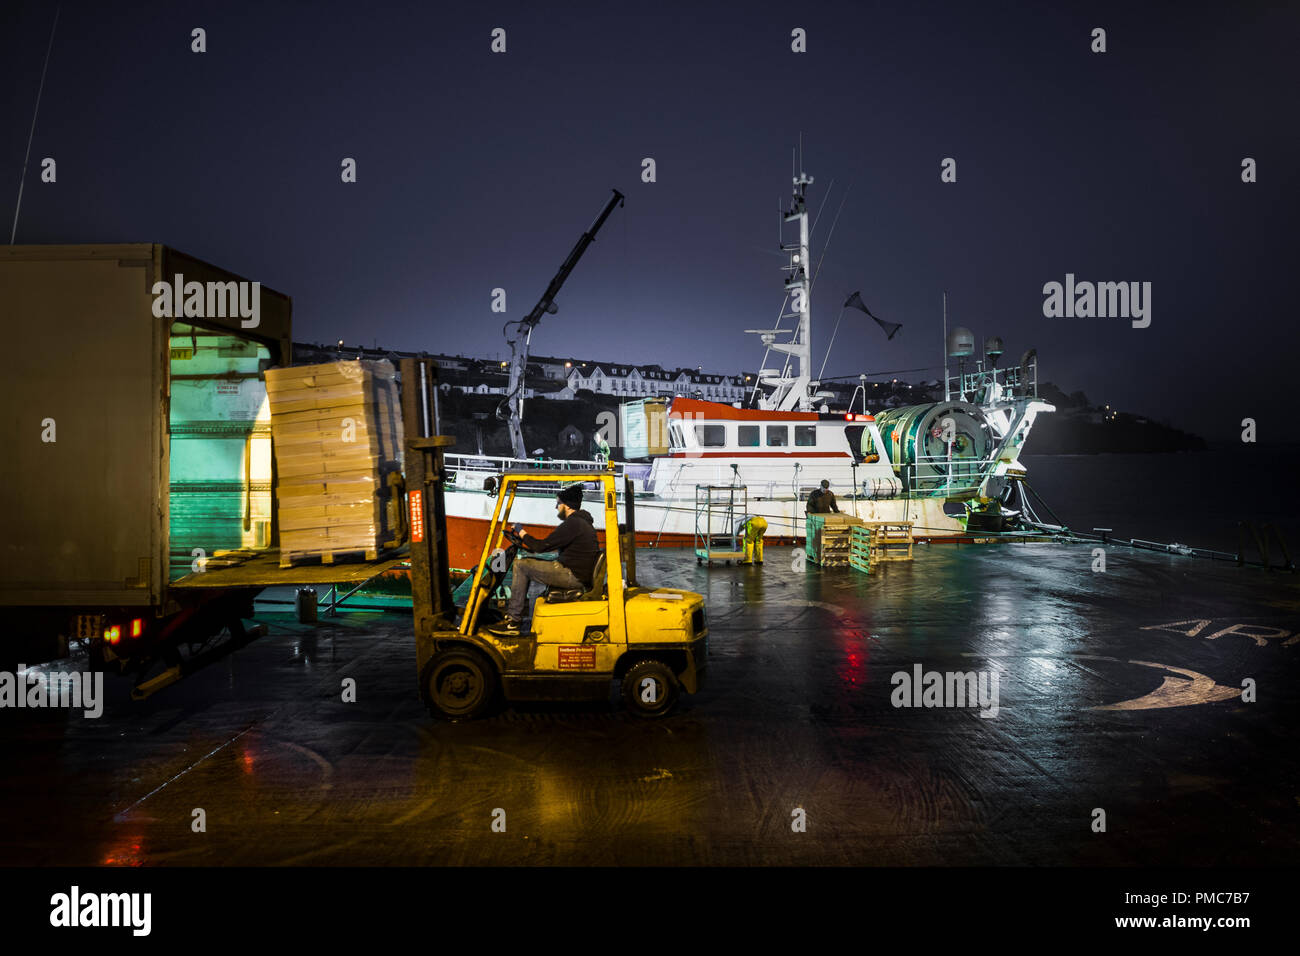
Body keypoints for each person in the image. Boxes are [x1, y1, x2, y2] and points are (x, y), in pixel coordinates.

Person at [489, 483, 600, 635]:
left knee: (521, 565)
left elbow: (541, 546)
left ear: (566, 506)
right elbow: (542, 546)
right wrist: (525, 542)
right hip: (577, 572)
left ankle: (513, 622)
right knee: (526, 563)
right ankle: (516, 613)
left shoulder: (573, 524)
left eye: (558, 503)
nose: (556, 507)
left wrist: (521, 532)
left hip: (572, 575)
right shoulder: (581, 522)